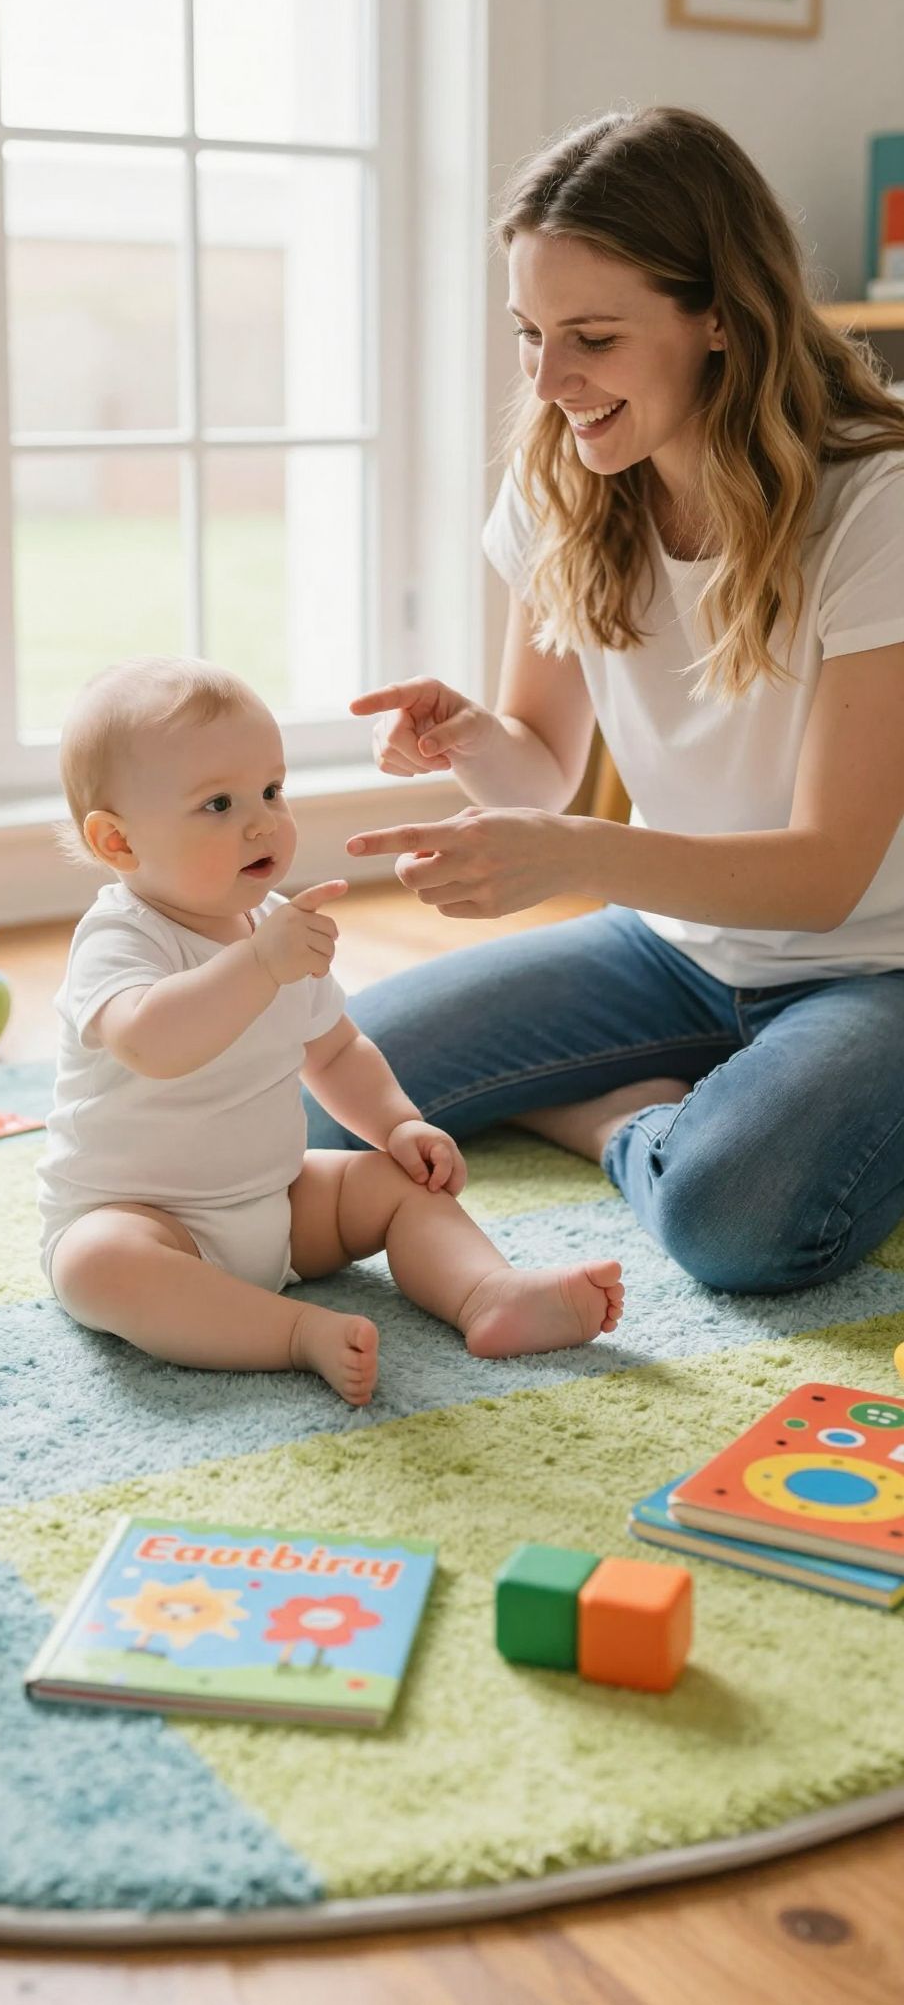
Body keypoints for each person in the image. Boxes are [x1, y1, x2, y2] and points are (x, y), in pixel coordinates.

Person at [307, 105, 904, 1296]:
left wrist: (573, 850)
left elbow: (828, 872)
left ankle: (613, 1120)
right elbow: (543, 765)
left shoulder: (872, 504)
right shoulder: (575, 481)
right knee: (320, 1105)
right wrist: (475, 738)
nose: (550, 379)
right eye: (529, 331)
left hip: (872, 962)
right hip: (671, 945)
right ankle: (674, 1104)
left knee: (737, 1215)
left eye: (591, 336)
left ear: (719, 318)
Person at [37, 658, 624, 1407]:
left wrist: (397, 1122)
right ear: (118, 844)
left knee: (394, 1185)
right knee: (99, 1268)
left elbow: (337, 1048)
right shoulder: (120, 938)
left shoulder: (278, 928)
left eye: (271, 791)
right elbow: (153, 1041)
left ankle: (488, 1294)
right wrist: (258, 963)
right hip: (145, 1220)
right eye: (217, 804)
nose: (261, 821)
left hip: (276, 1204)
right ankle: (289, 1332)